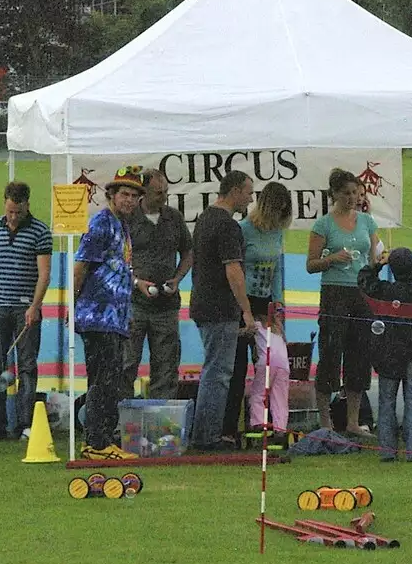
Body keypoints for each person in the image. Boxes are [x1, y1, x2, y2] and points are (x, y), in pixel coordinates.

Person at [0, 181, 52, 443]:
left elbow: (44, 275)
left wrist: (35, 307)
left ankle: (26, 424)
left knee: (26, 366)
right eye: (10, 211)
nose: (13, 216)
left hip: (25, 307)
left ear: (28, 205)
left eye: (18, 211)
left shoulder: (40, 232)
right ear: (5, 204)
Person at [73, 166, 145, 455]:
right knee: (103, 380)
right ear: (111, 195)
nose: (129, 200)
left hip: (114, 317)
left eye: (134, 196)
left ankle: (102, 437)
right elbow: (81, 266)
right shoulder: (101, 224)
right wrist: (73, 304)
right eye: (124, 194)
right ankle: (97, 442)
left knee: (110, 379)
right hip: (97, 315)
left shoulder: (122, 226)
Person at [307, 168, 381, 437]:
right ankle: (326, 422)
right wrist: (332, 259)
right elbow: (311, 264)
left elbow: (373, 258)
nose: (352, 198)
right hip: (334, 291)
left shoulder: (367, 222)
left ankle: (353, 420)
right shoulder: (323, 225)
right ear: (334, 195)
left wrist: (377, 270)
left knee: (359, 354)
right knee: (330, 351)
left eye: (355, 193)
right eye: (347, 193)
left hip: (360, 292)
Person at [189, 169, 256, 450]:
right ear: (236, 191)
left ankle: (205, 433)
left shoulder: (205, 218)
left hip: (202, 302)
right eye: (249, 193)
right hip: (220, 307)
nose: (250, 200)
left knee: (213, 369)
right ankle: (208, 437)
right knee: (218, 373)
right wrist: (247, 311)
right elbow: (234, 270)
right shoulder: (228, 226)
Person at [224, 181, 293, 440]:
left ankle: (275, 423)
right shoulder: (244, 231)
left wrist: (278, 310)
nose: (278, 218)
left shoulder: (277, 234)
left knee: (275, 363)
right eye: (276, 212)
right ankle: (233, 427)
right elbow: (236, 269)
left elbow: (277, 273)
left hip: (266, 304)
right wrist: (244, 309)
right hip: (243, 301)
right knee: (239, 364)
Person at [358, 247, 412, 461]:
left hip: (387, 356)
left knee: (386, 404)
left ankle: (387, 451)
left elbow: (364, 281)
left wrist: (377, 264)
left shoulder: (384, 292)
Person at [121, 168, 192, 400]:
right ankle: (120, 420)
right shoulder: (128, 219)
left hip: (166, 305)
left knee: (166, 366)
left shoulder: (174, 218)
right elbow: (115, 258)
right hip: (134, 304)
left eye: (166, 192)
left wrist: (178, 277)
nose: (164, 198)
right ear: (145, 193)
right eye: (159, 193)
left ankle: (162, 425)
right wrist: (135, 281)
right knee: (127, 363)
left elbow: (189, 251)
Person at [247, 302, 291, 435]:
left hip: (267, 362)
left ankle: (258, 422)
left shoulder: (258, 324)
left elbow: (246, 331)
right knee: (280, 399)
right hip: (283, 365)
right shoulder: (280, 331)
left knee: (258, 394)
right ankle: (280, 429)